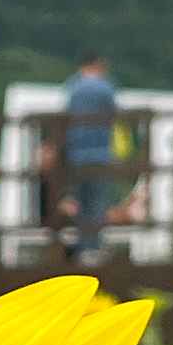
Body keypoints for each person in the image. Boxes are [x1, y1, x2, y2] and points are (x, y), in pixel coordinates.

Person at [53, 51, 122, 262]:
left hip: (77, 153)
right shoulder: (105, 87)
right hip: (100, 152)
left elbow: (64, 116)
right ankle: (94, 247)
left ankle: (82, 247)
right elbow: (114, 113)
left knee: (80, 202)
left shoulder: (72, 87)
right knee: (97, 202)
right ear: (98, 65)